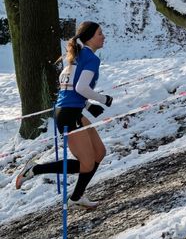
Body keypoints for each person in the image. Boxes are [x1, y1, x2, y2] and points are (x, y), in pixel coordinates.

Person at [15, 21, 113, 210]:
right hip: (68, 115)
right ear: (90, 37)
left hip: (72, 110)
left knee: (99, 153)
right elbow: (81, 87)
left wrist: (88, 105)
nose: (104, 36)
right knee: (86, 164)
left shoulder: (77, 56)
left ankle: (76, 197)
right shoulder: (90, 59)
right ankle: (34, 170)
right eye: (100, 33)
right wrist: (103, 98)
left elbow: (70, 90)